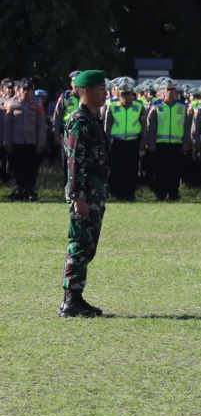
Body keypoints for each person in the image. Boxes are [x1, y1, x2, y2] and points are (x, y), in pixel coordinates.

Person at [60, 70, 111, 317]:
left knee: (87, 245)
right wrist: (77, 197)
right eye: (100, 88)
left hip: (94, 193)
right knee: (80, 244)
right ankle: (71, 300)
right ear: (86, 91)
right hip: (85, 194)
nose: (105, 92)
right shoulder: (79, 120)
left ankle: (76, 298)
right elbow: (73, 163)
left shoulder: (92, 119)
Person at [143, 78, 190, 201]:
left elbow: (187, 127)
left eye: (172, 90)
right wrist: (151, 142)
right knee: (160, 171)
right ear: (163, 91)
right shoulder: (156, 106)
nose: (170, 92)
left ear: (176, 92)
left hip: (176, 144)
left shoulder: (182, 106)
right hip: (160, 144)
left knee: (175, 171)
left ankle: (174, 194)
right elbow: (151, 126)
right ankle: (161, 194)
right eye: (167, 90)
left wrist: (186, 143)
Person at [102, 79, 145, 201]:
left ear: (132, 94)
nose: (126, 97)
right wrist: (107, 142)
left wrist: (143, 141)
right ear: (118, 95)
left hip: (133, 142)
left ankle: (130, 194)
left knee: (132, 169)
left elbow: (143, 126)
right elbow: (107, 127)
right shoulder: (112, 107)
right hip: (118, 142)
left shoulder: (139, 106)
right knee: (117, 169)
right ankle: (118, 193)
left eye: (128, 94)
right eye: (123, 94)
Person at [6, 77, 48, 201]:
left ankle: (29, 190)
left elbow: (41, 125)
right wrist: (6, 142)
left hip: (32, 142)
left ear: (32, 90)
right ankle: (17, 190)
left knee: (31, 168)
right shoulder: (11, 103)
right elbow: (7, 125)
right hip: (15, 142)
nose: (26, 92)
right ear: (19, 90)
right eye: (24, 89)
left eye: (29, 89)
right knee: (16, 168)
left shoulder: (37, 104)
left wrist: (41, 143)